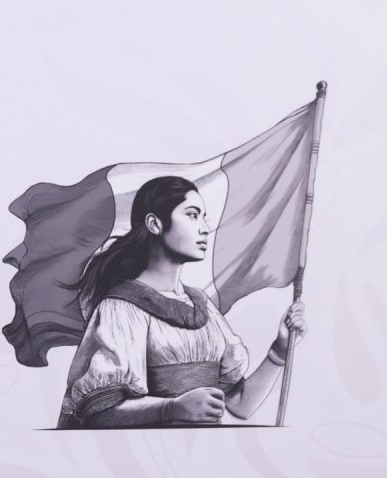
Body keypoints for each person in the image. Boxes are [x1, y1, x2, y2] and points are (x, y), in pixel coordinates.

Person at [57, 176, 306, 428]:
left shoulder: (203, 307)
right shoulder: (121, 308)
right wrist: (171, 408)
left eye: (203, 217)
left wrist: (280, 349)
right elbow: (99, 414)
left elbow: (240, 405)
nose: (204, 228)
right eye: (192, 215)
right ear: (155, 224)